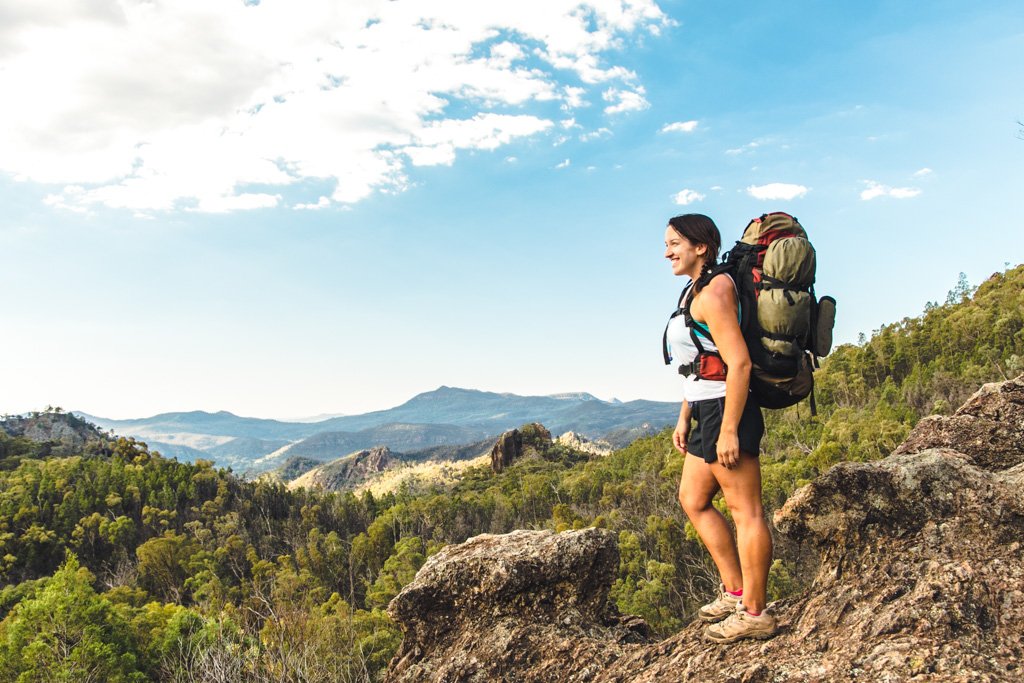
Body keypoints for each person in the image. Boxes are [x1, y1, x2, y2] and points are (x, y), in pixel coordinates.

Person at [663, 213, 777, 643]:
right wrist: (684, 415)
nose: (667, 251)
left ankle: (755, 612)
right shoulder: (693, 290)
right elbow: (699, 363)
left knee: (745, 512)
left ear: (701, 247)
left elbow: (739, 362)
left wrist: (729, 429)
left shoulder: (715, 292)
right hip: (705, 409)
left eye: (675, 243)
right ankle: (734, 591)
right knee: (692, 499)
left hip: (728, 410)